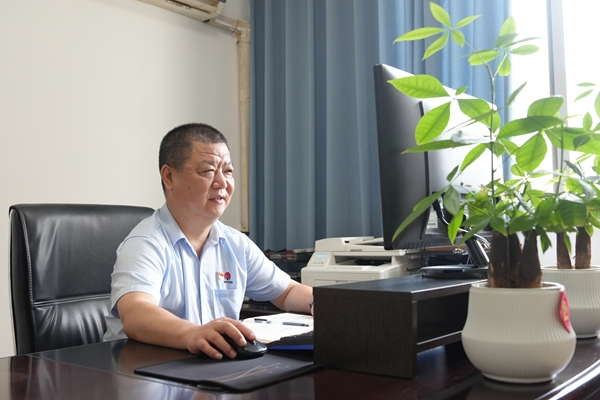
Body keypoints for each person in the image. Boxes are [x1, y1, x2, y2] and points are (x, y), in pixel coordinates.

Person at [103, 123, 314, 360]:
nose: (222, 183)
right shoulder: (145, 243)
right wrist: (193, 333)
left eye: (228, 171)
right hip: (143, 369)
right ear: (169, 177)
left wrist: (319, 302)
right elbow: (136, 314)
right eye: (208, 171)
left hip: (211, 365)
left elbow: (287, 291)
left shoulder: (235, 243)